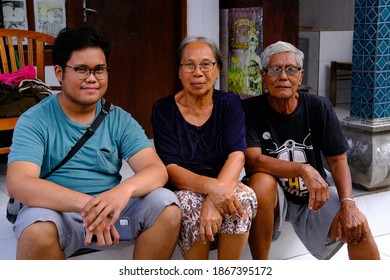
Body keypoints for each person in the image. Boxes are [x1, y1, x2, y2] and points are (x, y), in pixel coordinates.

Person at [6, 26, 181, 260]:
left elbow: (156, 170)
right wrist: (91, 205)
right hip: (57, 212)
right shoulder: (35, 120)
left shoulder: (119, 119)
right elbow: (20, 183)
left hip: (113, 211)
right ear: (59, 73)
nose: (92, 78)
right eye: (81, 69)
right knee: (36, 230)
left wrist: (120, 193)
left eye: (99, 70)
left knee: (167, 206)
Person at [242, 40, 380, 260]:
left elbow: (337, 160)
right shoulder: (250, 109)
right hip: (275, 198)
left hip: (314, 195)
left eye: (291, 69)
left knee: (358, 227)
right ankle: (261, 267)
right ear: (263, 75)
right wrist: (303, 169)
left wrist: (348, 204)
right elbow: (254, 161)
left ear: (301, 76)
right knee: (260, 181)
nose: (283, 77)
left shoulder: (318, 107)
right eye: (275, 70)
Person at [151, 36, 257, 260]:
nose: (198, 72)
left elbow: (237, 156)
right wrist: (214, 191)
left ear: (217, 69)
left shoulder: (229, 104)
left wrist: (213, 199)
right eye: (189, 65)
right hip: (184, 187)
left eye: (206, 64)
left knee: (243, 197)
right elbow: (170, 168)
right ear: (179, 72)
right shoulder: (164, 110)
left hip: (222, 181)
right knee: (189, 204)